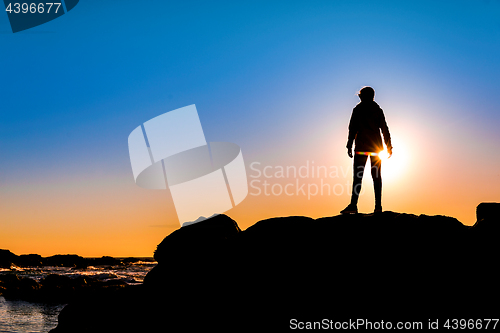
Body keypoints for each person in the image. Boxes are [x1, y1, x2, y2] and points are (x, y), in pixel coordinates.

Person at [341, 86, 392, 214]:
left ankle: (355, 205)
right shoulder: (376, 109)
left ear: (364, 96)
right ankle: (377, 207)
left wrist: (349, 144)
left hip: (362, 148)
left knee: (359, 177)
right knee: (376, 177)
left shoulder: (358, 110)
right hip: (374, 148)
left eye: (360, 95)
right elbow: (384, 129)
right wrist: (388, 146)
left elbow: (352, 129)